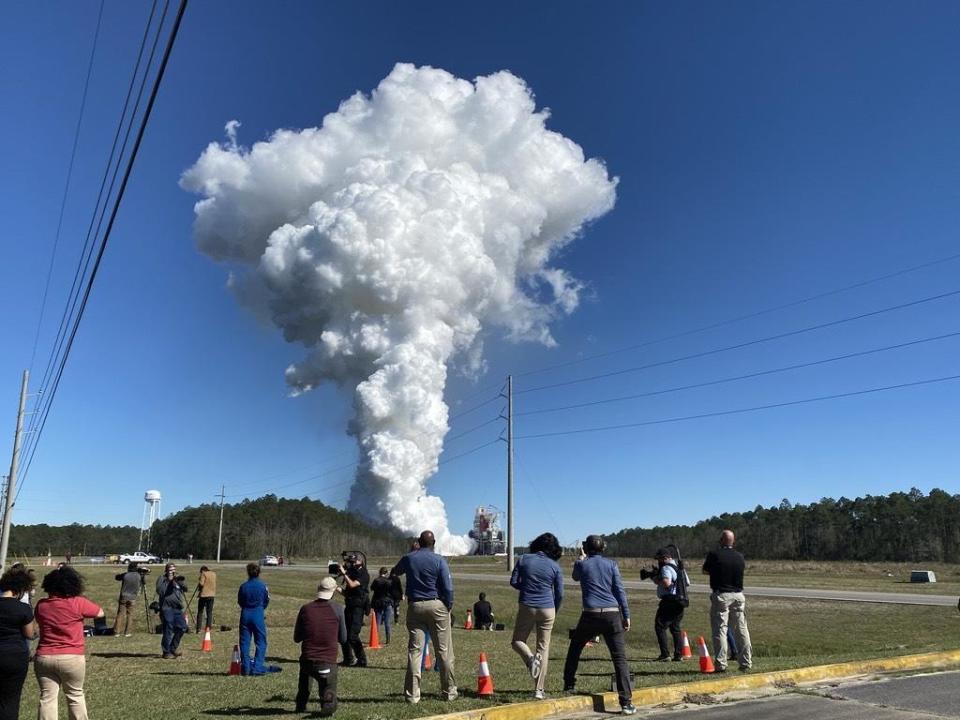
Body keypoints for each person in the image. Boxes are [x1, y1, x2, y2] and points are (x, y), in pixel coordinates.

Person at [563, 535, 636, 716]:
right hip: (612, 614)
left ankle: (569, 683)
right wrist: (626, 615)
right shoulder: (611, 565)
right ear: (603, 548)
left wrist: (580, 559)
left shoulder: (582, 564)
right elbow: (619, 591)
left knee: (575, 649)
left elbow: (574, 577)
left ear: (586, 548)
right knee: (619, 659)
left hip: (590, 614)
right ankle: (626, 703)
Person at [391, 529, 457, 704]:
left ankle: (413, 695)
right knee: (444, 652)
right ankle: (448, 691)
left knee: (415, 651)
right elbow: (448, 587)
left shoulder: (409, 558)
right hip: (436, 605)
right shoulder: (439, 560)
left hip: (415, 606)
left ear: (418, 542)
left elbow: (395, 571)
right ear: (434, 543)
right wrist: (448, 605)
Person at [33, 565, 104, 720]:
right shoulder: (77, 602)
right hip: (72, 656)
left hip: (44, 656)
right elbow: (100, 612)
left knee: (47, 698)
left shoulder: (41, 605)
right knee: (75, 695)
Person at [510, 531, 564, 700]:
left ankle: (530, 659)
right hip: (548, 608)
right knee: (543, 647)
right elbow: (560, 593)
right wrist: (555, 608)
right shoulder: (555, 566)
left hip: (527, 605)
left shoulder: (524, 559)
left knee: (518, 641)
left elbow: (513, 581)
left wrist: (526, 587)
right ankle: (539, 690)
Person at [294, 577, 347, 716]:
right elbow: (343, 638)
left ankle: (301, 703)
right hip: (326, 662)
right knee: (328, 686)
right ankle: (328, 704)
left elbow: (297, 638)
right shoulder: (338, 609)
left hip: (307, 660)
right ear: (334, 591)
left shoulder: (305, 609)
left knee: (305, 677)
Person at [702, 529, 752, 672]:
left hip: (722, 595)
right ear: (733, 541)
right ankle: (746, 662)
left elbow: (705, 571)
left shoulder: (714, 554)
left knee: (720, 630)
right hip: (738, 595)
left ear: (721, 540)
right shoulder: (740, 557)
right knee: (741, 630)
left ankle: (721, 664)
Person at [0, 566, 38, 720]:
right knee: (10, 699)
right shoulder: (23, 608)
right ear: (20, 590)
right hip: (15, 656)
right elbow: (29, 634)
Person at [238, 562, 279, 675]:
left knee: (245, 642)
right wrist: (261, 608)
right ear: (259, 573)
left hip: (245, 613)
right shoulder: (263, 586)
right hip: (258, 613)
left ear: (248, 572)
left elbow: (240, 601)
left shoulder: (243, 586)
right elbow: (267, 600)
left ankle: (245, 667)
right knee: (261, 641)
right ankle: (257, 666)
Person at [648, 547, 684, 662]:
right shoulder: (679, 568)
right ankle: (679, 655)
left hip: (669, 600)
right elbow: (687, 582)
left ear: (665, 558)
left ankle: (665, 654)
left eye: (659, 559)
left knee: (660, 626)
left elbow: (666, 583)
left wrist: (655, 578)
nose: (658, 562)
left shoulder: (666, 568)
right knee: (675, 628)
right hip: (680, 600)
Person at [337, 552, 370, 667]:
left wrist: (344, 574)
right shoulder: (351, 573)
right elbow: (348, 592)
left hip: (358, 608)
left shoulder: (363, 574)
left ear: (361, 562)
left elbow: (352, 585)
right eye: (350, 562)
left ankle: (362, 660)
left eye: (354, 561)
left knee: (353, 636)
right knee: (343, 634)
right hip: (349, 606)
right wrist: (336, 588)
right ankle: (348, 659)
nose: (352, 564)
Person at [155, 563, 188, 659]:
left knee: (182, 627)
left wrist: (179, 581)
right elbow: (160, 591)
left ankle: (173, 648)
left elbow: (185, 588)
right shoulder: (162, 579)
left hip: (177, 608)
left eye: (173, 570)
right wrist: (169, 581)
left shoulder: (178, 579)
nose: (172, 572)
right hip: (166, 608)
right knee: (168, 628)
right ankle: (166, 652)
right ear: (166, 570)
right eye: (170, 570)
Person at [112, 562, 142, 637]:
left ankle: (117, 632)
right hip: (133, 597)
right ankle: (127, 632)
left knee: (120, 614)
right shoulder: (139, 576)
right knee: (130, 615)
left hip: (124, 596)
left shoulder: (126, 575)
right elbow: (143, 582)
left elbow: (117, 577)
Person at [370, 567, 395, 644]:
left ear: (379, 572)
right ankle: (388, 639)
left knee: (377, 622)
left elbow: (372, 588)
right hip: (387, 602)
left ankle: (376, 638)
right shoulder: (389, 581)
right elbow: (392, 592)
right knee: (387, 622)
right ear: (386, 573)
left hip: (378, 602)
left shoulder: (376, 580)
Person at [196, 565, 217, 633]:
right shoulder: (213, 574)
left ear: (202, 570)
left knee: (200, 611)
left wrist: (199, 582)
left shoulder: (203, 574)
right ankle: (208, 628)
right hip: (212, 595)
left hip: (204, 595)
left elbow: (201, 584)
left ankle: (198, 628)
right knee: (209, 612)